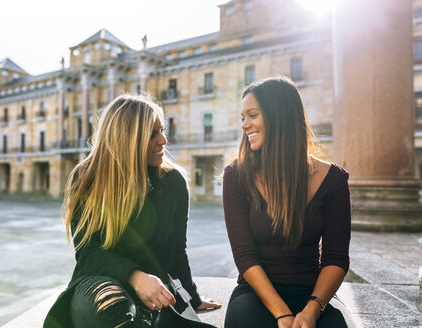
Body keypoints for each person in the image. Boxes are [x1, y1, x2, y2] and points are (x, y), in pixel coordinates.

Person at [43, 94, 220, 328]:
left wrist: (193, 298)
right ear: (126, 138)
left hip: (155, 292)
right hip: (99, 287)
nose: (164, 140)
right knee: (113, 307)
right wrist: (135, 276)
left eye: (162, 130)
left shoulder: (172, 181)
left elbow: (178, 250)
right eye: (152, 134)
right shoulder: (87, 177)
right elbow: (88, 252)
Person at [223, 76, 352, 328]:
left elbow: (336, 257)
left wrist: (312, 309)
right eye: (242, 118)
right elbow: (244, 256)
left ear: (278, 116)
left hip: (312, 295)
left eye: (252, 115)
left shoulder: (333, 179)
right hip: (256, 294)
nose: (244, 125)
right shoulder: (236, 176)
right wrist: (282, 313)